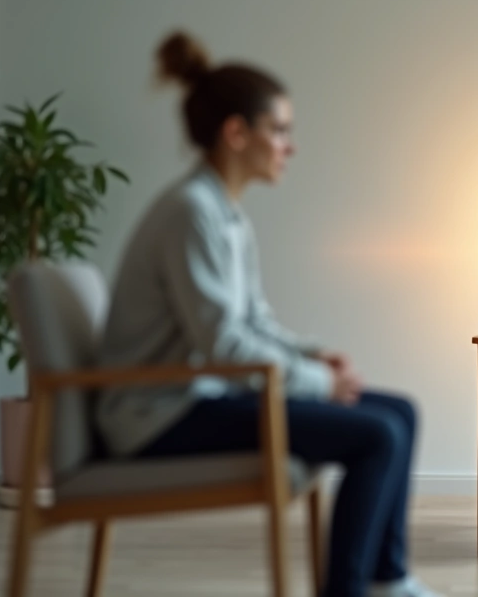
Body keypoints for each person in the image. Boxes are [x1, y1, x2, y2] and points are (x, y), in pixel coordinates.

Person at [96, 31, 438, 597]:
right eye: (279, 130)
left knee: (400, 413)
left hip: (199, 395)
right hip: (159, 414)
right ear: (236, 133)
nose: (290, 146)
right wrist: (319, 385)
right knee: (375, 435)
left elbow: (252, 319)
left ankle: (388, 580)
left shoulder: (225, 214)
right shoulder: (191, 213)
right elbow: (223, 344)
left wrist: (314, 357)